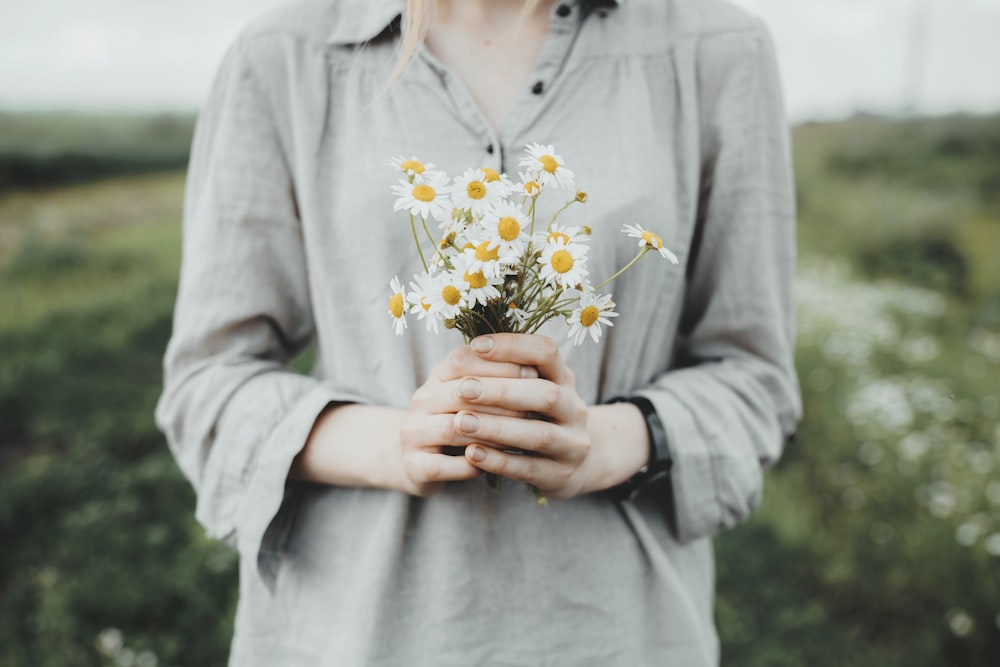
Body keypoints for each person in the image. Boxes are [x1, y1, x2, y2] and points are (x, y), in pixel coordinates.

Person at [155, 0, 801, 664]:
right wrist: (399, 442)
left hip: (617, 633)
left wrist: (608, 440)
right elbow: (209, 384)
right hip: (352, 634)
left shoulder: (717, 47)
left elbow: (755, 379)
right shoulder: (283, 55)